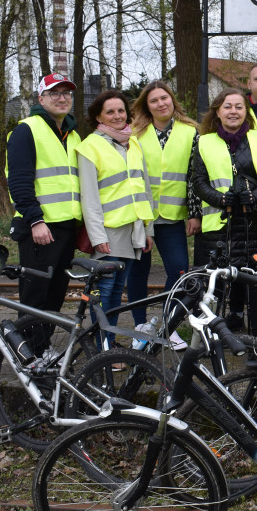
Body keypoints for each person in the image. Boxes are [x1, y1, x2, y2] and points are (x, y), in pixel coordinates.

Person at [193, 88, 257, 337]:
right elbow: (198, 182)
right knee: (216, 284)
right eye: (228, 106)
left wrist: (254, 197)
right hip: (219, 225)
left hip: (253, 223)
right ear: (218, 111)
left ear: (246, 111)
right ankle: (211, 336)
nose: (233, 111)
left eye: (239, 107)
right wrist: (221, 199)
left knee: (253, 284)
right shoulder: (204, 141)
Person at [6, 73, 82, 358]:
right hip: (40, 227)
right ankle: (29, 353)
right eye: (54, 93)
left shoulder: (72, 135)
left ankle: (43, 346)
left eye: (66, 93)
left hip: (66, 227)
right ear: (41, 99)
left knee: (56, 293)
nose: (62, 98)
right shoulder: (27, 130)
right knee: (35, 294)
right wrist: (35, 220)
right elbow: (19, 181)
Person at [76, 89, 155, 349]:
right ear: (98, 115)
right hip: (109, 232)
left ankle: (108, 344)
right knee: (106, 293)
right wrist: (98, 237)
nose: (117, 115)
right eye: (110, 111)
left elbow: (144, 189)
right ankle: (101, 348)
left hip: (133, 230)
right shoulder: (90, 146)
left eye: (121, 110)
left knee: (118, 290)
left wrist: (148, 229)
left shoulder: (133, 143)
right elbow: (89, 197)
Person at [126, 81, 201, 349]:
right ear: (146, 106)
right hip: (140, 215)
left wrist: (194, 213)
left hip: (173, 214)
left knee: (179, 270)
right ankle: (140, 326)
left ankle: (168, 326)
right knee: (138, 270)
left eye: (164, 98)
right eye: (154, 100)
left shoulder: (190, 132)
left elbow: (195, 176)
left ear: (173, 100)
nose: (160, 104)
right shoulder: (134, 133)